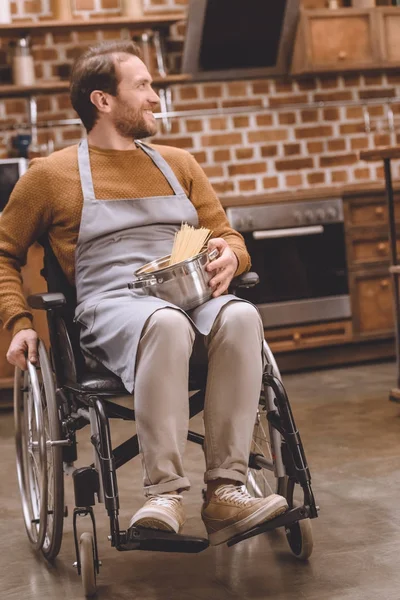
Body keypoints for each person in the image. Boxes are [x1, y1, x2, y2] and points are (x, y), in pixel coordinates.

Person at [2, 40, 288, 546]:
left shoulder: (178, 163)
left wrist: (230, 256)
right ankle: (164, 493)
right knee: (166, 321)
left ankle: (226, 489)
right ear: (103, 101)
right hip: (113, 309)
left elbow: (228, 235)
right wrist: (18, 322)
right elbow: (3, 251)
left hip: (193, 297)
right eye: (143, 85)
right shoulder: (50, 176)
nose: (155, 96)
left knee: (242, 316)